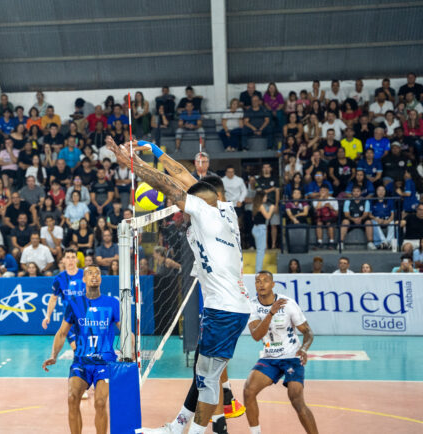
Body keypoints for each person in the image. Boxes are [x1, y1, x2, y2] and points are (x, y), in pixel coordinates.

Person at [109, 139, 249, 434]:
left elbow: (170, 186)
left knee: (207, 379)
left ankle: (194, 431)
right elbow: (184, 178)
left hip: (224, 309)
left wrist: (133, 164)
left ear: (208, 197)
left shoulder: (207, 211)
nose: (184, 202)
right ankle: (177, 426)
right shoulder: (223, 209)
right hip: (225, 306)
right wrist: (157, 150)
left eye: (192, 196)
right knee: (203, 371)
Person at [42, 265, 119, 434]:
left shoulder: (112, 303)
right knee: (72, 398)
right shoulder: (74, 304)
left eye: (97, 273)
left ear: (101, 278)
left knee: (100, 402)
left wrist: (132, 353)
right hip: (82, 362)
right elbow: (62, 333)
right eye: (90, 273)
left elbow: (127, 332)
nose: (94, 275)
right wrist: (54, 356)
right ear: (83, 279)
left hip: (104, 362)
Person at [244, 271, 318, 434]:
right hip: (269, 358)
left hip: (292, 357)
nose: (261, 284)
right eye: (257, 281)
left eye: (265, 280)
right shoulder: (252, 305)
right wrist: (271, 313)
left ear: (272, 284)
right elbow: (257, 336)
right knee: (248, 391)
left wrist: (304, 348)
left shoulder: (288, 304)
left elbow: (308, 332)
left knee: (296, 399)